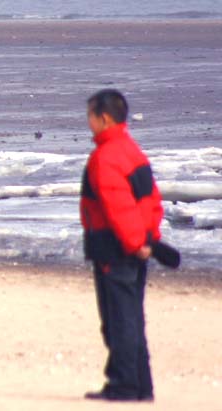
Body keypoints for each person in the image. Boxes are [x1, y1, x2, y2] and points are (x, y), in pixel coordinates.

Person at [79, 89, 163, 402]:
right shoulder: (130, 150)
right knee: (131, 317)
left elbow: (119, 207)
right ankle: (139, 384)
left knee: (119, 319)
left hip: (116, 249)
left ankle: (126, 385)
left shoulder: (108, 155)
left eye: (90, 115)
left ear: (104, 118)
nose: (87, 121)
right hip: (132, 246)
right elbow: (151, 200)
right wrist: (150, 238)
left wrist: (136, 243)